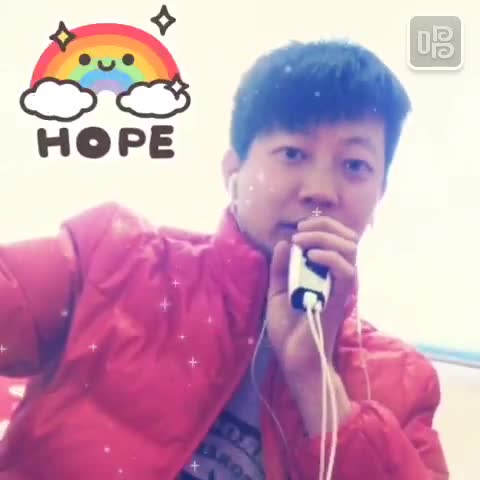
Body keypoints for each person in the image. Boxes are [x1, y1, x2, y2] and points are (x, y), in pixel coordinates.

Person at [0, 39, 449, 480]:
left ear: (379, 194)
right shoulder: (114, 262)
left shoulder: (401, 381)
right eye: (293, 153)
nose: (320, 190)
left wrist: (318, 384)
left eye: (354, 165)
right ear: (233, 172)